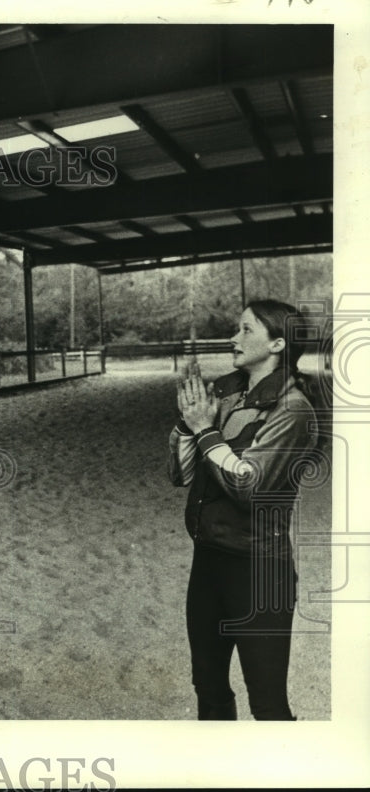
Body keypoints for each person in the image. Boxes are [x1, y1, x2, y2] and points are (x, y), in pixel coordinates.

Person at [168, 299, 318, 720]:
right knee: (209, 687)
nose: (234, 337)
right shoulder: (227, 393)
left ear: (277, 344)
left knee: (268, 703)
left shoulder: (294, 410)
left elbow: (247, 486)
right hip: (209, 561)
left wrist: (203, 429)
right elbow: (179, 476)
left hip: (258, 572)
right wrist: (186, 424)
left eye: (246, 330)